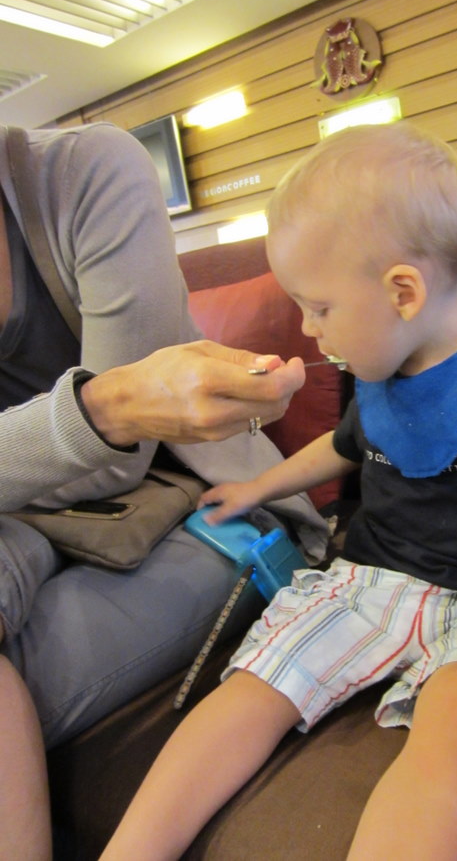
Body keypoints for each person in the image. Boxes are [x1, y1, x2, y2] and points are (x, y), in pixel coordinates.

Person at [101, 122, 457, 861]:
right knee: (250, 689)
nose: (307, 330)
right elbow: (341, 448)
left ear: (402, 292)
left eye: (318, 307)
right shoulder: (377, 367)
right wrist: (257, 486)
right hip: (364, 582)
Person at [0, 121, 328, 861]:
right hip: (27, 523)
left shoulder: (86, 173)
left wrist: (80, 428)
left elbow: (118, 465)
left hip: (202, 505)